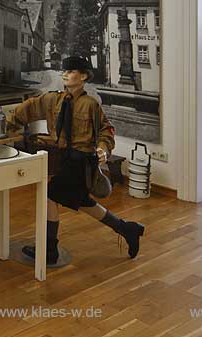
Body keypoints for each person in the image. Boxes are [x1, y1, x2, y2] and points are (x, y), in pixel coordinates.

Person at [8, 56, 145, 265]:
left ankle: (49, 248)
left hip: (81, 162)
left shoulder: (90, 104)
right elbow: (28, 108)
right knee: (84, 203)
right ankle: (126, 228)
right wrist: (5, 125)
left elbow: (106, 130)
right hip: (63, 160)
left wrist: (103, 149)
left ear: (83, 76)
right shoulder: (53, 99)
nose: (65, 73)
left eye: (70, 71)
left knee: (51, 194)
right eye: (64, 70)